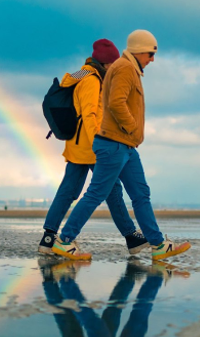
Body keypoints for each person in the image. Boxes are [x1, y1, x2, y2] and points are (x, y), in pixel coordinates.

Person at [53, 30, 191, 261]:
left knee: (140, 194)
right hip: (113, 144)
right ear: (138, 50)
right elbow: (115, 103)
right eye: (150, 53)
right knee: (96, 194)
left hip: (125, 146)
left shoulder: (125, 69)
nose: (152, 59)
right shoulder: (125, 69)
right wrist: (132, 127)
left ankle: (158, 245)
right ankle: (64, 240)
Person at [39, 39, 149, 256]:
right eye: (114, 65)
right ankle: (131, 237)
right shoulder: (92, 80)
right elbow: (89, 114)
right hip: (90, 146)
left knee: (69, 191)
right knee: (111, 190)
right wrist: (99, 142)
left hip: (78, 145)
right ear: (106, 64)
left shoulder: (84, 74)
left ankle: (49, 239)